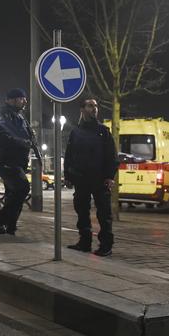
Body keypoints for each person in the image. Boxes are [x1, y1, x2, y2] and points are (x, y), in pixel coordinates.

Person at [64, 98, 118, 257]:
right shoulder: (76, 132)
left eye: (95, 106)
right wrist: (68, 175)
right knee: (82, 211)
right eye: (90, 106)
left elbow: (112, 155)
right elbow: (69, 155)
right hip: (81, 178)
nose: (94, 108)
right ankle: (84, 242)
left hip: (100, 179)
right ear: (82, 109)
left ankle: (106, 245)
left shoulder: (103, 131)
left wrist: (109, 176)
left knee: (104, 214)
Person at [0, 88, 36, 235]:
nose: (25, 101)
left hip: (18, 161)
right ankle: (1, 219)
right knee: (22, 188)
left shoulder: (21, 118)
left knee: (13, 193)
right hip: (4, 160)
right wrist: (23, 142)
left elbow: (29, 137)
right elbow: (1, 136)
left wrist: (31, 139)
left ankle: (10, 226)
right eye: (22, 98)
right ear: (11, 100)